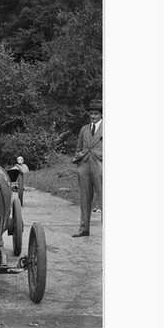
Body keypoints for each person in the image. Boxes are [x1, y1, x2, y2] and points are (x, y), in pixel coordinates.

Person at [71, 98, 103, 237]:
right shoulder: (84, 129)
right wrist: (79, 160)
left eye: (96, 114)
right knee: (84, 198)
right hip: (84, 166)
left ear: (101, 114)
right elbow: (78, 147)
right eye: (91, 114)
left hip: (100, 165)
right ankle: (84, 229)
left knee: (104, 197)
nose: (93, 116)